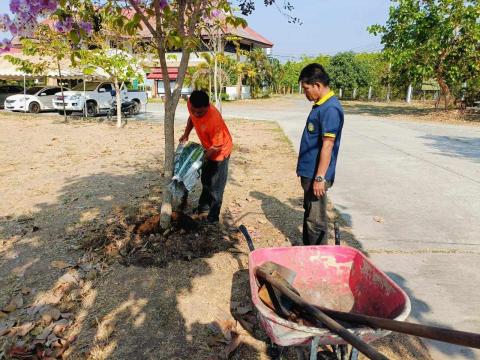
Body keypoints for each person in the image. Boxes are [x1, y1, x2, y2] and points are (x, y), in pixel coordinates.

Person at [297, 64, 344, 245]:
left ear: (317, 85)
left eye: (306, 89)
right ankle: (308, 251)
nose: (305, 94)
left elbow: (328, 145)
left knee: (315, 221)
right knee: (310, 215)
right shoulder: (320, 105)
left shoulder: (330, 109)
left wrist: (319, 178)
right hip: (309, 172)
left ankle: (317, 257)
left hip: (317, 174)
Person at [179, 90, 233, 223]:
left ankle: (213, 217)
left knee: (216, 186)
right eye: (194, 110)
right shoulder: (191, 105)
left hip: (220, 152)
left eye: (200, 112)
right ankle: (203, 208)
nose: (196, 114)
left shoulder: (214, 120)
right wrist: (186, 134)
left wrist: (202, 159)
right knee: (206, 180)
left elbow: (217, 147)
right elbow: (191, 118)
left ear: (207, 106)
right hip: (208, 147)